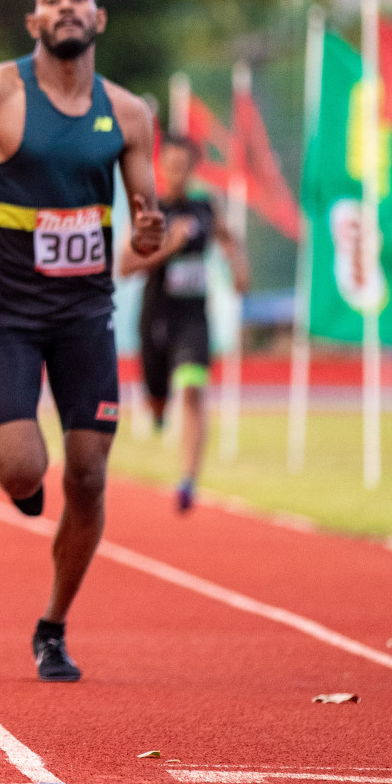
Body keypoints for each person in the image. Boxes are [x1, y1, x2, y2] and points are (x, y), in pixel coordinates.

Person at [0, 0, 164, 682]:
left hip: (86, 314)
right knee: (26, 468)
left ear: (99, 17)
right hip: (8, 312)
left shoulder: (131, 113)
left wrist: (149, 234)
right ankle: (23, 485)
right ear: (33, 25)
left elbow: (147, 220)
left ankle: (52, 626)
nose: (65, 9)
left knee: (88, 477)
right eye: (50, 1)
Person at [118, 136, 250, 513]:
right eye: (171, 164)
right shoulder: (151, 210)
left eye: (184, 165)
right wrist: (169, 248)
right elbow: (125, 266)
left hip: (193, 318)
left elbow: (229, 239)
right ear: (161, 166)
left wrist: (239, 267)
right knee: (157, 398)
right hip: (156, 317)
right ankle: (158, 414)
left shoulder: (206, 208)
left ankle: (187, 480)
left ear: (194, 168)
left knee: (192, 393)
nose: (177, 172)